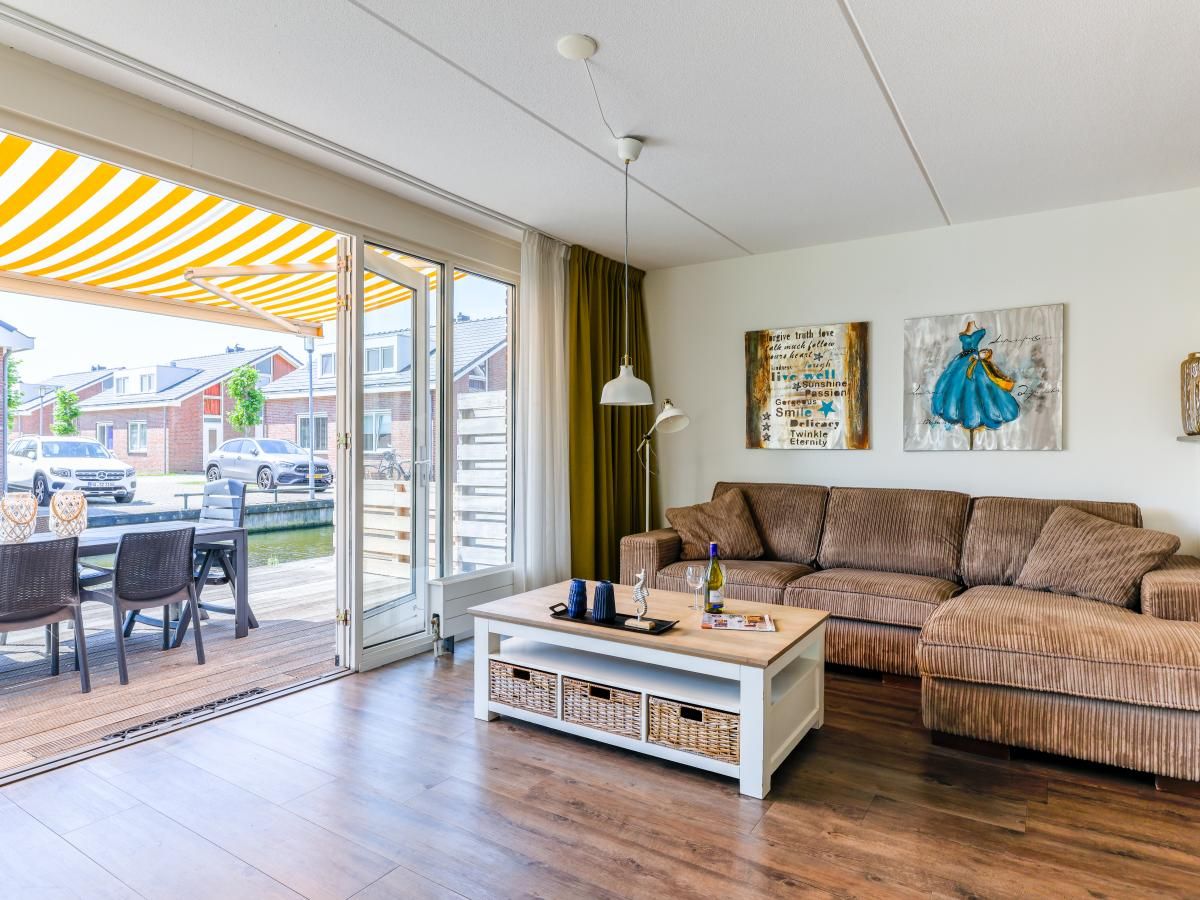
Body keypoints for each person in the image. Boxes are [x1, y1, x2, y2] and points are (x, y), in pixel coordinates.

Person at [931, 321, 1019, 447]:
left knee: (978, 389)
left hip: (975, 361)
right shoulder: (965, 329)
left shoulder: (980, 328)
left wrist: (982, 355)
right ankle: (965, 415)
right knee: (956, 389)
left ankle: (977, 417)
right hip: (961, 362)